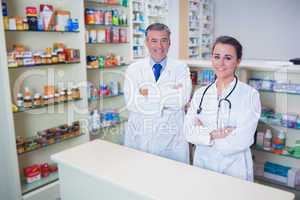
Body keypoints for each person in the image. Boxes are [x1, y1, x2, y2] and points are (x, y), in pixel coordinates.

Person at [184, 36, 261, 181]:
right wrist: (216, 134)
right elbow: (188, 132)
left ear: (238, 61)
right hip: (203, 163)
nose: (221, 63)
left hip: (234, 167)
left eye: (228, 58)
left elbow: (242, 139)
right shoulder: (200, 93)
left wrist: (204, 135)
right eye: (217, 56)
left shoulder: (250, 95)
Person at [124, 23, 192, 163]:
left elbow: (182, 99)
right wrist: (168, 94)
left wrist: (147, 94)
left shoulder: (181, 68)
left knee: (172, 181)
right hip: (140, 137)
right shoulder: (134, 69)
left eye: (164, 40)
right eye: (154, 40)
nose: (159, 46)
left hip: (172, 139)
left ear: (169, 42)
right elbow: (132, 103)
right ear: (146, 43)